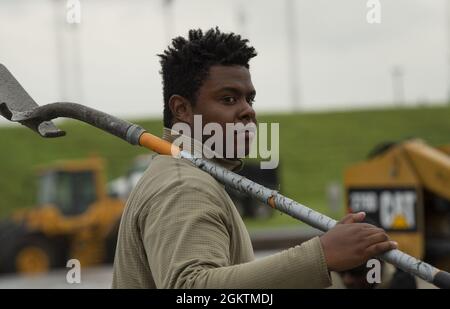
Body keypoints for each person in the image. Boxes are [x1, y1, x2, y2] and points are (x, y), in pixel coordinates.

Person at [111, 27, 397, 289]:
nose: (249, 111)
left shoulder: (190, 175)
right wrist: (321, 255)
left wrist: (334, 269)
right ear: (181, 109)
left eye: (250, 99)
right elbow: (191, 290)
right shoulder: (184, 185)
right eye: (228, 99)